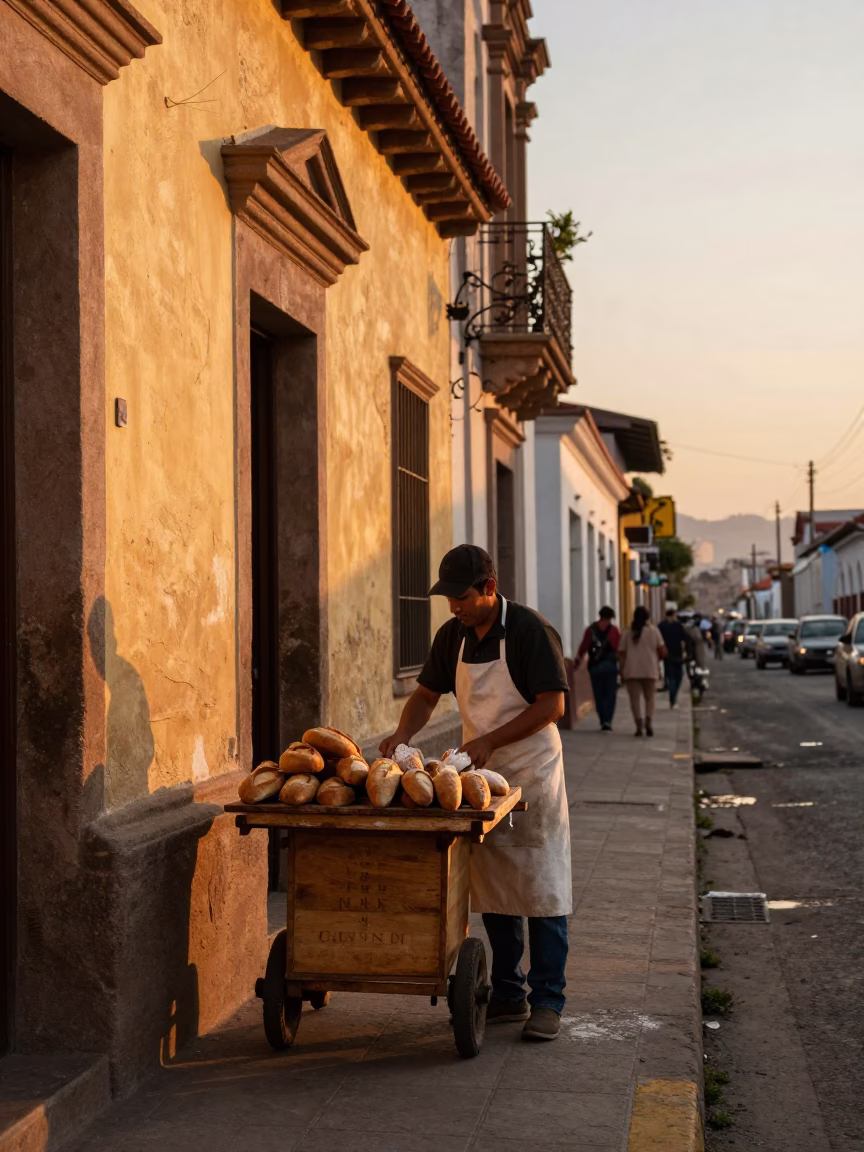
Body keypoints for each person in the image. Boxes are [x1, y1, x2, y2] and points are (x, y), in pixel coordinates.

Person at [380, 545, 570, 1041]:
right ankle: (509, 992)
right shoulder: (453, 636)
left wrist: (490, 740)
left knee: (542, 885)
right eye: (447, 599)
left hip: (534, 768)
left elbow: (553, 705)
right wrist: (403, 735)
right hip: (478, 778)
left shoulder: (530, 631)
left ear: (489, 588)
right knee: (496, 885)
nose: (453, 608)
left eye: (460, 597)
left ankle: (548, 1001)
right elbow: (425, 694)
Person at [618, 605, 667, 737]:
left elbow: (621, 653)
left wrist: (621, 670)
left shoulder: (627, 632)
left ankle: (639, 725)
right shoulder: (654, 631)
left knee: (634, 700)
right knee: (650, 698)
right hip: (650, 669)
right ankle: (648, 720)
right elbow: (662, 650)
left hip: (632, 670)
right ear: (647, 617)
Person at [577, 606, 620, 731]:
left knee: (598, 694)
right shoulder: (614, 631)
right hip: (611, 667)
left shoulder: (591, 630)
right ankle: (608, 720)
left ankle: (603, 719)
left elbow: (583, 647)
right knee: (610, 695)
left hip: (595, 667)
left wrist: (577, 663)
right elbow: (618, 649)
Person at [659, 608, 690, 709]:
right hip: (677, 655)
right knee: (678, 677)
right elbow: (685, 638)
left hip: (667, 655)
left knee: (671, 677)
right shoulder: (678, 626)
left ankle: (673, 699)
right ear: (673, 615)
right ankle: (673, 698)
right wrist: (686, 651)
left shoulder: (661, 626)